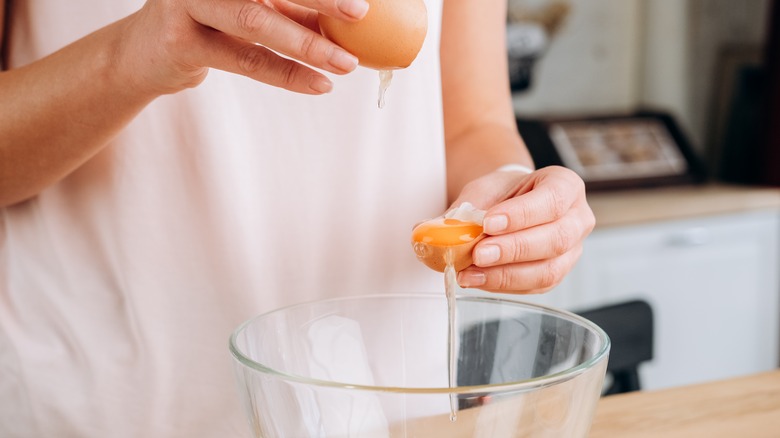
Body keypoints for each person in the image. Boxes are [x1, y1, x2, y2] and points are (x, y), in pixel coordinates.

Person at [0, 0, 595, 436]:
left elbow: (473, 120)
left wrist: (512, 194)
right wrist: (134, 53)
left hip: (382, 403)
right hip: (104, 402)